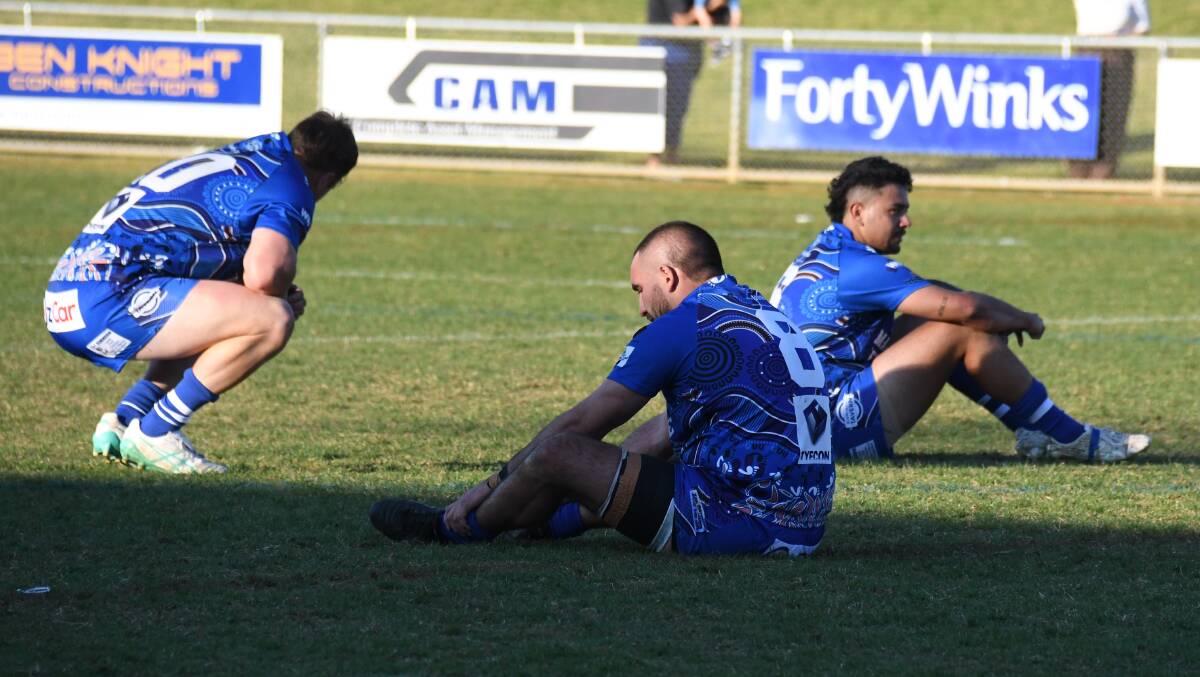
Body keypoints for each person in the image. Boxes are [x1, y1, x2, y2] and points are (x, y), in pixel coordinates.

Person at [370, 221, 836, 556]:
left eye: (639, 289)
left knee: (561, 453)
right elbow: (667, 434)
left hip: (745, 520)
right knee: (661, 434)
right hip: (804, 520)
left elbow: (581, 424)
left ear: (668, 277)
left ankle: (455, 529)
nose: (640, 308)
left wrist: (485, 486)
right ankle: (544, 526)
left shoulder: (684, 324)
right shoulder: (759, 311)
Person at [769, 156, 1150, 462]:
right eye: (895, 210)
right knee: (958, 326)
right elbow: (964, 309)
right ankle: (1069, 436)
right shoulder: (858, 267)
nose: (906, 221)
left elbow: (944, 298)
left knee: (941, 314)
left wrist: (986, 316)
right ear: (858, 212)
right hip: (822, 435)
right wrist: (1025, 320)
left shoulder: (829, 253)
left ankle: (1031, 428)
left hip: (804, 424)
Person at [44, 111, 358, 474]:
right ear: (328, 179)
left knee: (228, 309)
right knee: (272, 318)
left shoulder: (252, 155)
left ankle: (127, 420)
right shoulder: (292, 182)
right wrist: (279, 293)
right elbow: (267, 272)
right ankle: (156, 431)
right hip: (107, 299)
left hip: (69, 297)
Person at [1067, 0, 1150, 179]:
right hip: (1086, 50)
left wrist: (1119, 39)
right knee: (1081, 111)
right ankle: (1078, 169)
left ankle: (1103, 170)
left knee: (1113, 112)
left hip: (1116, 53)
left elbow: (1142, 27)